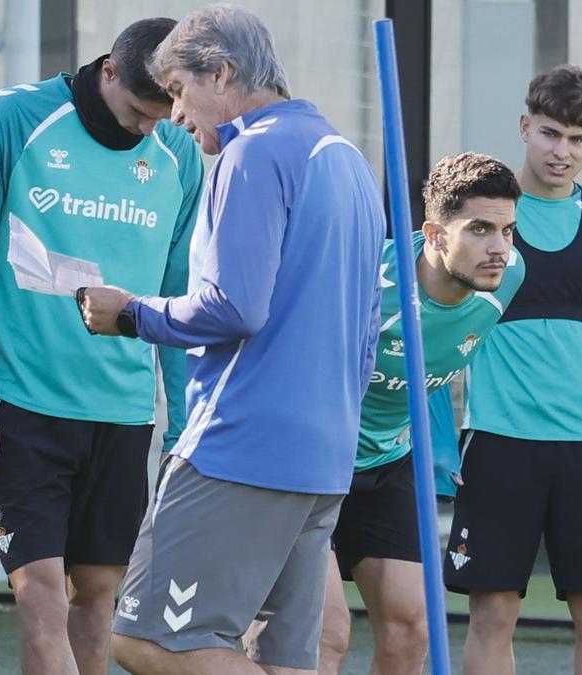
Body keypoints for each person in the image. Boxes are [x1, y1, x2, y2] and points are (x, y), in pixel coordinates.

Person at [80, 6, 385, 674]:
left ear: (221, 72)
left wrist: (131, 312)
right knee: (280, 656)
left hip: (241, 446)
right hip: (325, 456)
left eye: (181, 94)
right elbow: (370, 331)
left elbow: (232, 308)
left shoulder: (253, 151)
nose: (175, 116)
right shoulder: (349, 161)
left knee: (147, 637)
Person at [0, 17, 203, 675]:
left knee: (97, 602)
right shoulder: (14, 118)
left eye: (163, 115)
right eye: (142, 113)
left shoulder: (180, 152)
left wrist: (185, 423)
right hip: (18, 408)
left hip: (122, 414)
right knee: (41, 600)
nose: (151, 130)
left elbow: (178, 295)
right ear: (109, 71)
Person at [441, 65, 582, 675]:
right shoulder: (483, 222)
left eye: (577, 138)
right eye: (549, 133)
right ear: (524, 127)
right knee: (493, 616)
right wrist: (438, 439)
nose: (561, 151)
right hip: (497, 447)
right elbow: (430, 333)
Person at [303, 153, 525, 675]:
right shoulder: (362, 285)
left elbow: (435, 364)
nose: (499, 249)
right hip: (309, 465)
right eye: (479, 229)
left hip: (389, 460)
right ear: (433, 234)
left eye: (508, 230)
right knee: (323, 634)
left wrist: (442, 448)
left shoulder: (507, 276)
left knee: (412, 629)